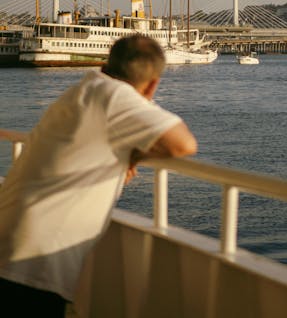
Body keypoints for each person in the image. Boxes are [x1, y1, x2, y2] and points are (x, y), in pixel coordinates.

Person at [0, 35, 197, 315]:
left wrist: (132, 151)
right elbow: (184, 144)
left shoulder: (85, 89)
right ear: (153, 84)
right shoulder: (115, 96)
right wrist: (138, 153)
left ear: (108, 63)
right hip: (32, 261)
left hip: (12, 241)